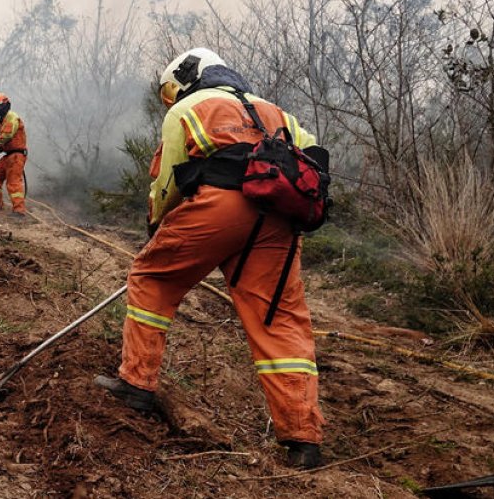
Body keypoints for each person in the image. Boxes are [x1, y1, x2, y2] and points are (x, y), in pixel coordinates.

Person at [93, 48, 326, 469]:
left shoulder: (189, 108)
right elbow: (314, 160)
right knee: (279, 320)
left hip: (220, 208)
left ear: (186, 76)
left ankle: (136, 385)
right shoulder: (277, 113)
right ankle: (303, 439)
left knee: (151, 278)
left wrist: (156, 227)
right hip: (277, 222)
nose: (170, 95)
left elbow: (167, 183)